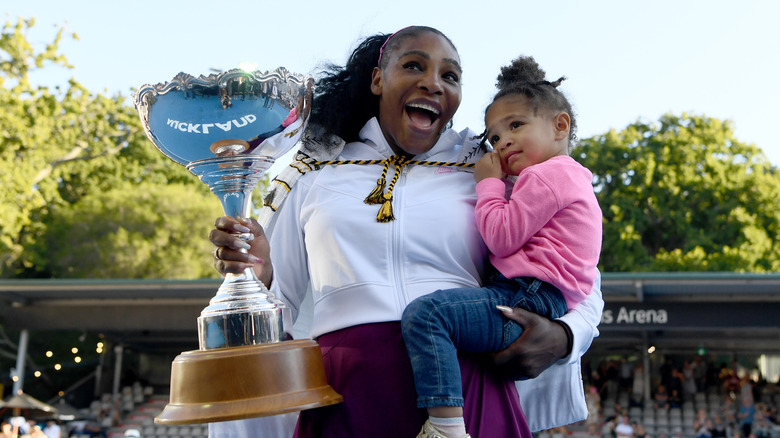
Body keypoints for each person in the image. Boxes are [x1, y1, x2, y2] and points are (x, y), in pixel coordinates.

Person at [208, 26, 604, 438]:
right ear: (378, 79)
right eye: (413, 65)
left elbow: (578, 267)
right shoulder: (314, 174)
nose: (432, 82)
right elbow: (280, 305)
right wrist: (256, 275)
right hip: (346, 389)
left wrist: (564, 335)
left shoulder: (489, 169)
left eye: (450, 76)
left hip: (467, 385)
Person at [400, 55, 602, 438]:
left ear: (560, 126)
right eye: (493, 137)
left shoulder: (544, 177)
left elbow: (501, 236)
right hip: (539, 297)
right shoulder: (568, 177)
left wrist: (489, 184)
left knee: (428, 316)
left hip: (527, 296)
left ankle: (445, 428)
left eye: (516, 125)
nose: (502, 141)